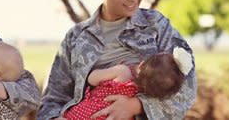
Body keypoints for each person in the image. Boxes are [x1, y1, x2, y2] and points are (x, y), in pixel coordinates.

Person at [37, 0, 197, 120]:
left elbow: (186, 88)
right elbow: (52, 100)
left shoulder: (156, 26)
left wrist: (135, 106)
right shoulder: (76, 37)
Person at [63, 47, 193, 120]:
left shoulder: (122, 72)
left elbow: (91, 78)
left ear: (141, 64)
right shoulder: (140, 99)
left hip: (81, 115)